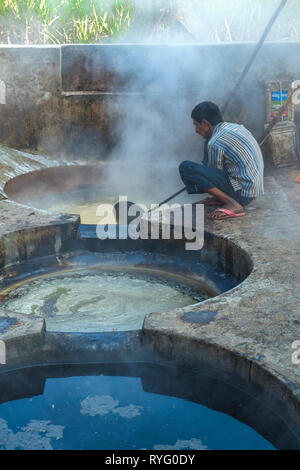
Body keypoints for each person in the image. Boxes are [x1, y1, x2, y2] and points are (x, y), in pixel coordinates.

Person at [179, 101, 264, 220]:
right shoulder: (236, 127)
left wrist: (195, 179)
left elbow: (213, 174)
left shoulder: (215, 142)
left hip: (243, 195)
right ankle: (224, 198)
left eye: (196, 124)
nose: (196, 130)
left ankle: (232, 203)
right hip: (253, 190)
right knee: (207, 142)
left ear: (205, 123)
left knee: (186, 167)